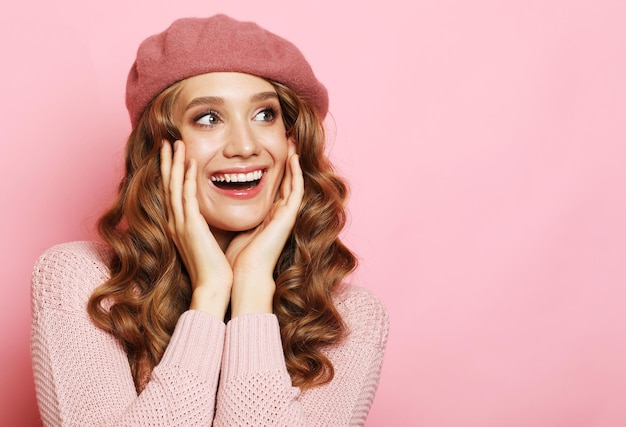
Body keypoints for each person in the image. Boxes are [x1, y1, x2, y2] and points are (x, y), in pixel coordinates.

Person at [31, 14, 389, 426]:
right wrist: (210, 292)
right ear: (160, 148)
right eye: (208, 118)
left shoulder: (349, 318)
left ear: (292, 140)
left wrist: (252, 288)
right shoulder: (82, 282)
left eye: (265, 115)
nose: (244, 146)